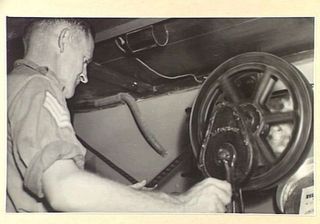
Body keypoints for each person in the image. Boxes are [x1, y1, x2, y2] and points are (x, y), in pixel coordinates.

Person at [7, 18, 231, 212]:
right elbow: (64, 188)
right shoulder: (38, 85)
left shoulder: (11, 86)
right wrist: (182, 206)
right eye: (85, 61)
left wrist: (125, 198)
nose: (84, 76)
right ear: (64, 39)